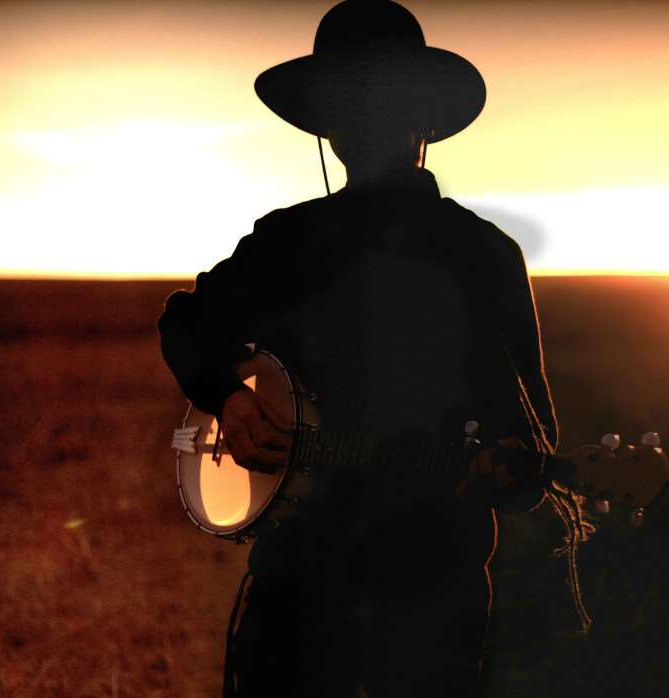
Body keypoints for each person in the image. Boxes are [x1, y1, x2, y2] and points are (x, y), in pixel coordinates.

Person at [158, 2, 582, 695]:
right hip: (299, 594)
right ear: (330, 126)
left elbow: (528, 454)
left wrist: (508, 468)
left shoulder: (480, 257)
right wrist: (228, 399)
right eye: (350, 102)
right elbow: (188, 324)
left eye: (380, 99)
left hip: (424, 601)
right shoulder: (286, 243)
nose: (365, 119)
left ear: (419, 117)